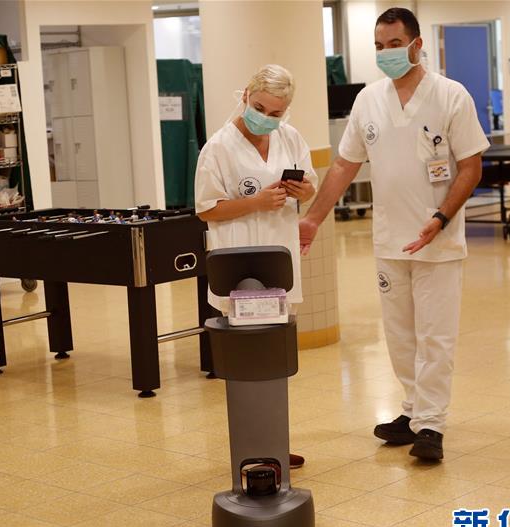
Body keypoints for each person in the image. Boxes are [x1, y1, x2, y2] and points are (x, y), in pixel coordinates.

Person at [299, 8, 489, 460]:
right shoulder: (369, 100)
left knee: (435, 335)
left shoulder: (450, 96)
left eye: (394, 44)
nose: (386, 53)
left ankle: (432, 424)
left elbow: (471, 167)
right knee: (400, 334)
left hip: (438, 239)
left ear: (416, 45)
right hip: (390, 239)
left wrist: (441, 217)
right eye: (379, 46)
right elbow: (343, 165)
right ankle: (413, 409)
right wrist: (313, 218)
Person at [195, 64, 319, 469]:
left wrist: (304, 190)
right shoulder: (218, 148)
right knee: (248, 362)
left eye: (276, 112)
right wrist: (255, 203)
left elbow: (310, 186)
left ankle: (274, 443)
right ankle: (251, 448)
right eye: (260, 107)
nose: (266, 117)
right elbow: (206, 209)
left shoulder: (290, 137)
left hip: (278, 266)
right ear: (246, 95)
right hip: (239, 269)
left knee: (274, 359)